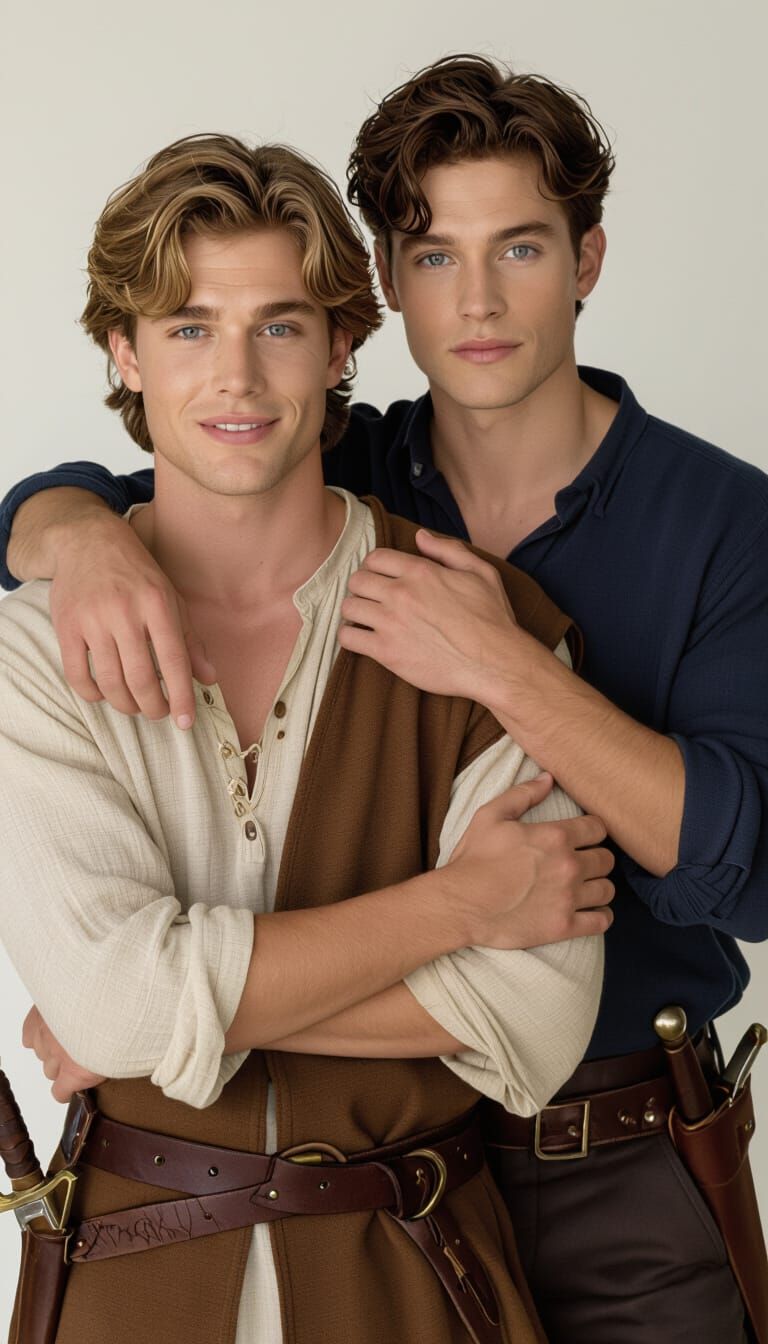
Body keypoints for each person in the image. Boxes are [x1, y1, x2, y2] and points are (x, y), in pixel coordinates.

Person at [1, 54, 766, 1343]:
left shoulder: (725, 523)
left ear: (585, 261)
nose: (476, 300)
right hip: (379, 1165)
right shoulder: (327, 453)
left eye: (519, 247)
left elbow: (740, 882)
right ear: (385, 292)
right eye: (430, 254)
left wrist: (506, 669)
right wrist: (71, 531)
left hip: (613, 1149)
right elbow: (162, 448)